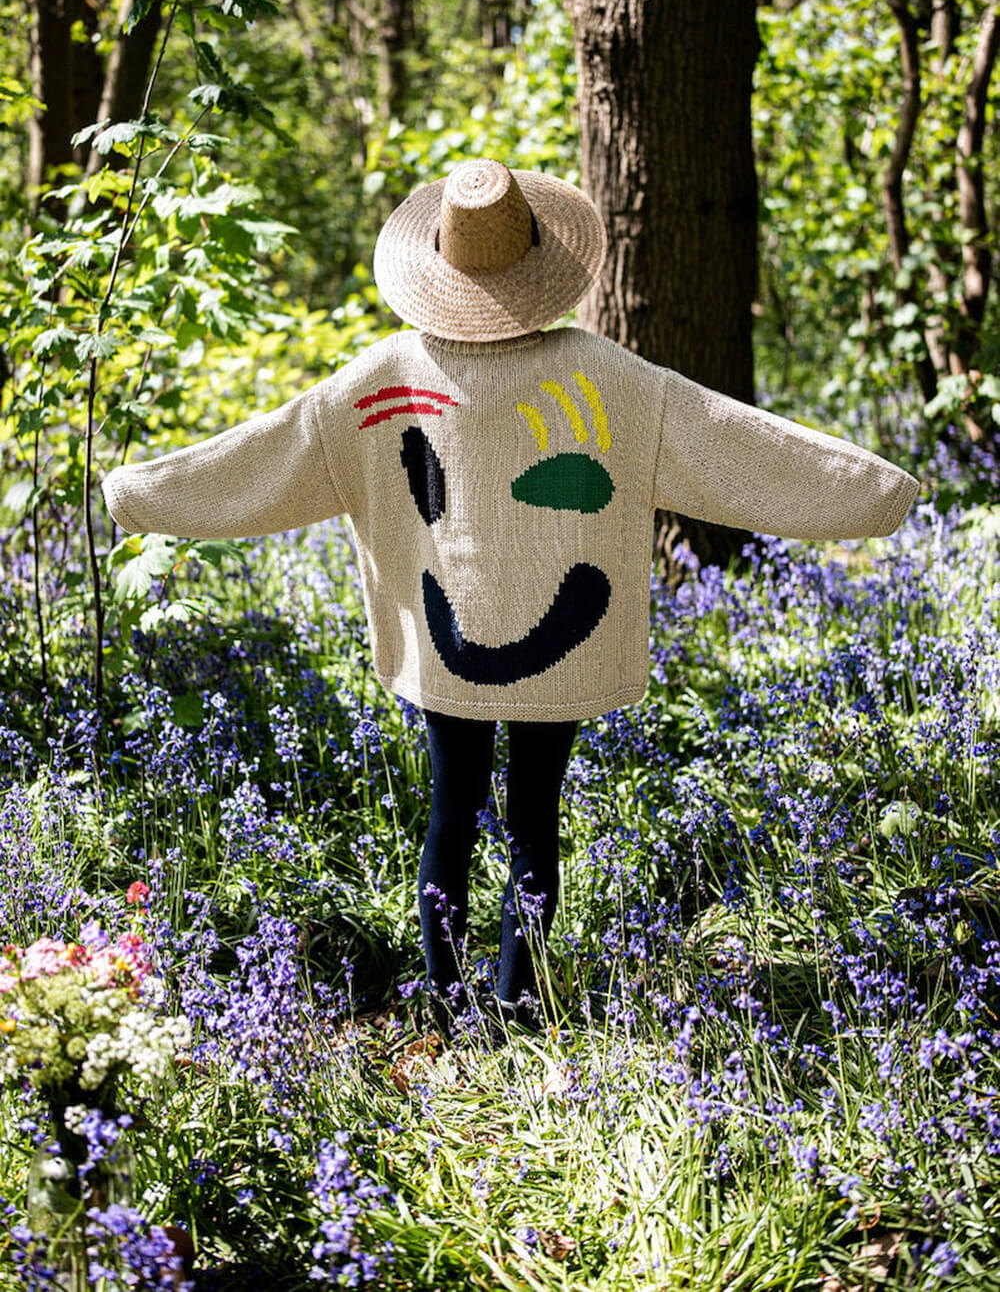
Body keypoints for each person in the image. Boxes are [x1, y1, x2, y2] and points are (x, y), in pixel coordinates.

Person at [103, 158, 918, 1029]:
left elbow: (263, 455)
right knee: (535, 818)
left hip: (446, 650)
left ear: (438, 264)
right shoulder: (607, 379)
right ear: (540, 263)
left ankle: (448, 1010)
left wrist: (139, 493)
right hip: (560, 644)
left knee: (450, 813)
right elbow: (737, 445)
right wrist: (876, 491)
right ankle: (517, 1006)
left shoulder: (380, 380)